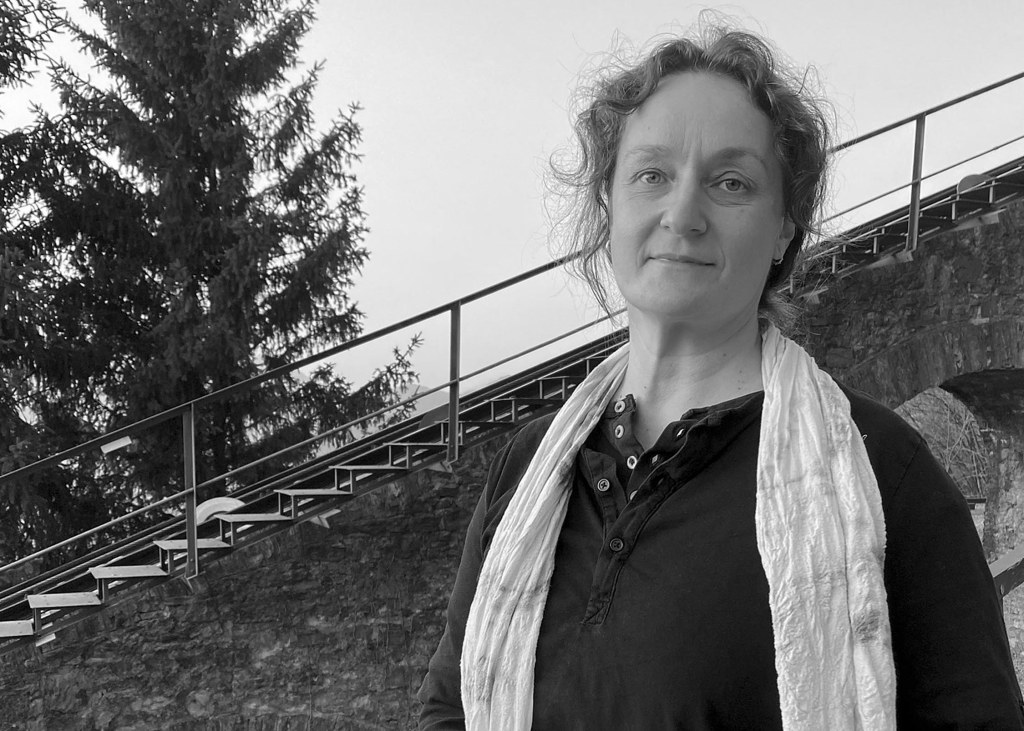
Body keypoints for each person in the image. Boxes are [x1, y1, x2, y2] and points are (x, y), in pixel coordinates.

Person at [417, 23, 1024, 730]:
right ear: (609, 205)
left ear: (784, 228)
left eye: (730, 182)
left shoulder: (883, 474)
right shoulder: (528, 468)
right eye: (652, 174)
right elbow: (450, 707)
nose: (683, 214)